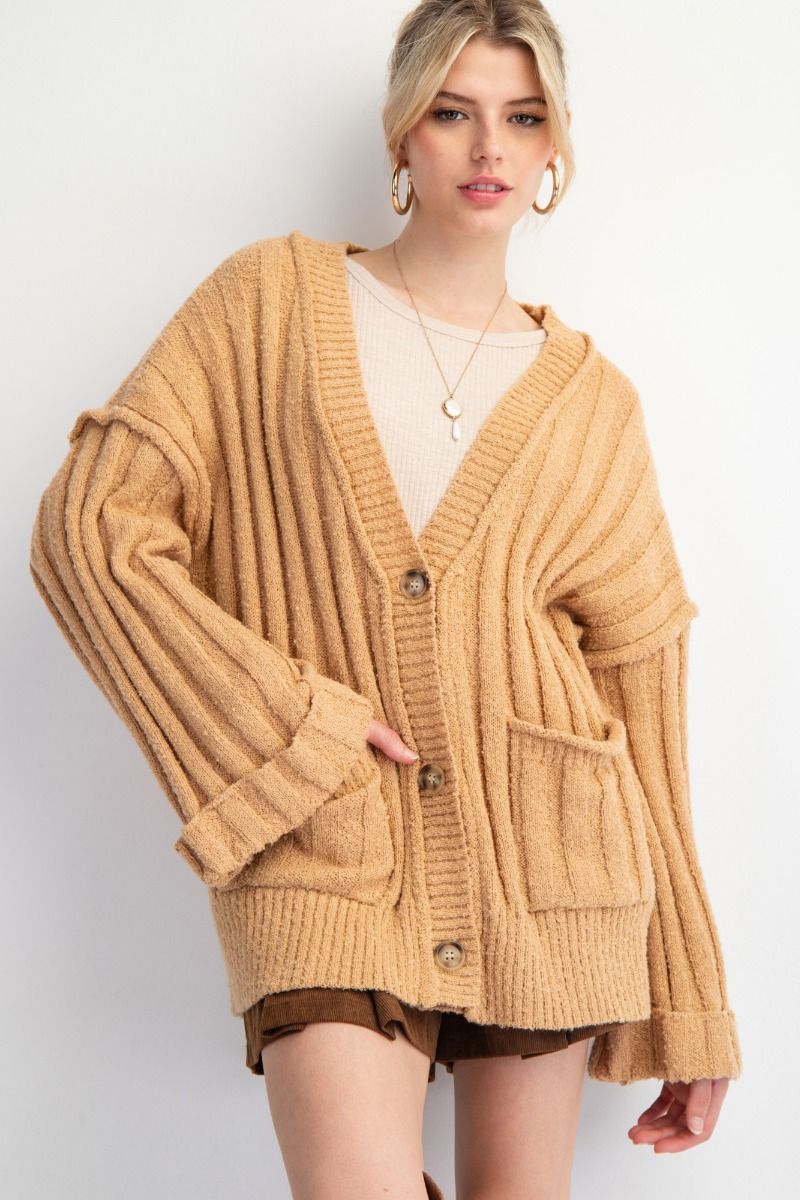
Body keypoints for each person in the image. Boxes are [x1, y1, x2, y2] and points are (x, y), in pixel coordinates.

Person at [29, 2, 742, 1197]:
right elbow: (90, 532)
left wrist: (691, 1000)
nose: (488, 148)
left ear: (555, 144)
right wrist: (288, 726)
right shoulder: (265, 304)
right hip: (323, 845)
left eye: (522, 118)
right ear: (401, 132)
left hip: (549, 871)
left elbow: (640, 688)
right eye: (452, 113)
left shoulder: (592, 405)